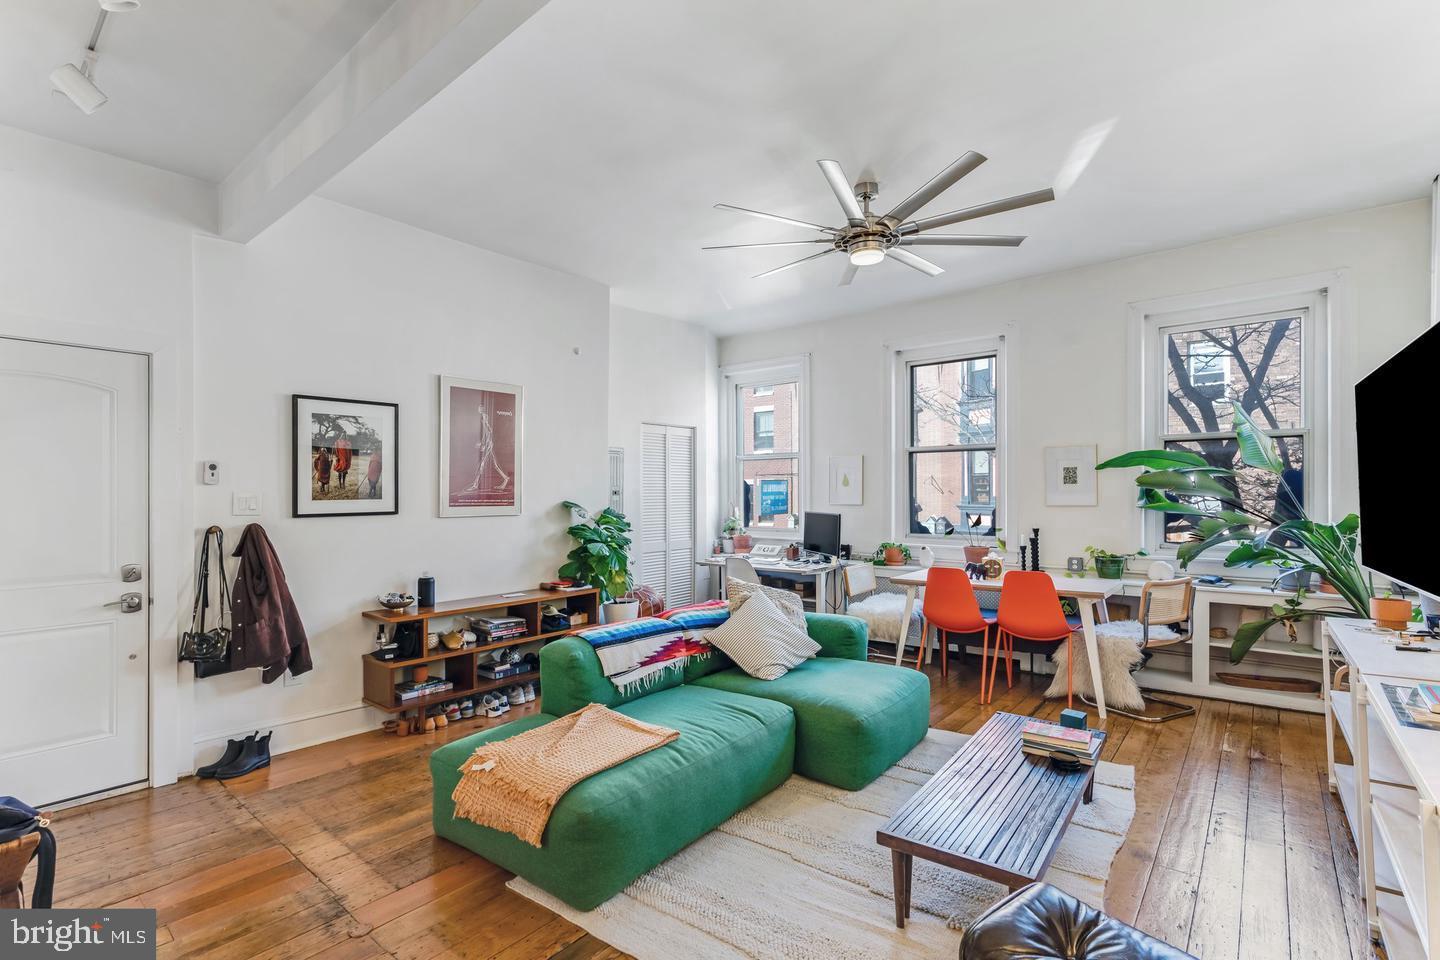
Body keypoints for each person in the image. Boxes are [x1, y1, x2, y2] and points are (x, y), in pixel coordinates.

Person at [461, 405, 511, 495]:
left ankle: (475, 485)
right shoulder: (483, 417)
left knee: (482, 464)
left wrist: (485, 444)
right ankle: (505, 478)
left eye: (480, 407)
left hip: (489, 444)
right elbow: (486, 432)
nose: (478, 409)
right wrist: (482, 443)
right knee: (495, 465)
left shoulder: (484, 416)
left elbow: (489, 431)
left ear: (482, 409)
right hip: (489, 443)